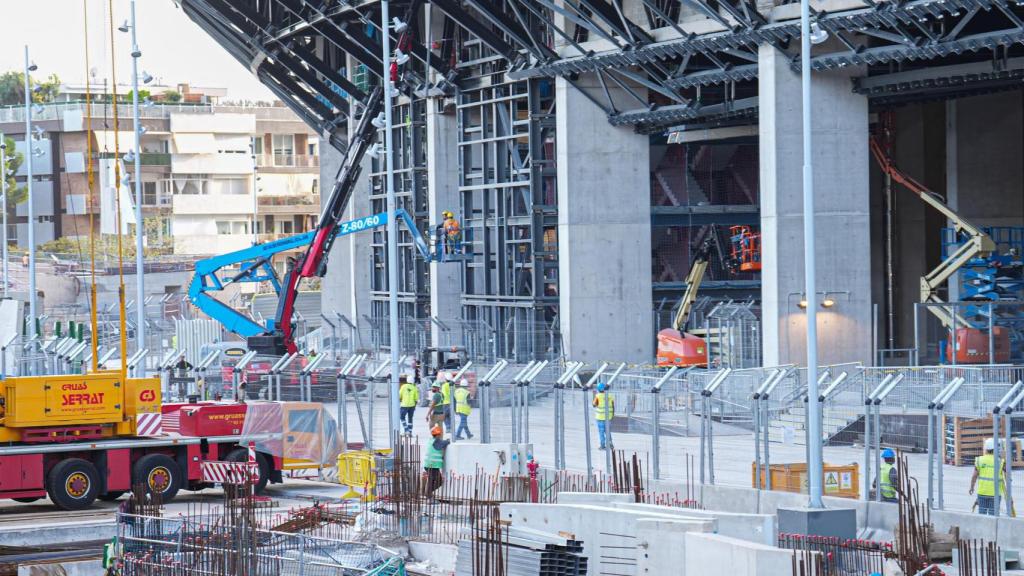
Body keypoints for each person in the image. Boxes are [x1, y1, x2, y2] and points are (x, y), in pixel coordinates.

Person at [970, 437, 1006, 515]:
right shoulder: (1000, 461)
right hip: (995, 494)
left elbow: (974, 476)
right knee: (993, 516)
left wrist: (972, 487)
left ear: (986, 449)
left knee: (982, 515)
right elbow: (1007, 476)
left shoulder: (980, 460)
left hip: (982, 492)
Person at [423, 425, 449, 495]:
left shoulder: (431, 440)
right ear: (438, 435)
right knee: (438, 481)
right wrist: (447, 440)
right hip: (432, 466)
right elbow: (445, 443)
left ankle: (428, 493)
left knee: (433, 480)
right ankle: (428, 494)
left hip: (429, 465)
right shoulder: (437, 442)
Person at [593, 382, 614, 450]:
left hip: (600, 417)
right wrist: (612, 415)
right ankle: (610, 444)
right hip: (608, 417)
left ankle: (602, 445)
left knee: (601, 432)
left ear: (598, 389)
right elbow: (613, 406)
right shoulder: (610, 395)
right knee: (608, 431)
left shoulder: (598, 396)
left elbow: (594, 405)